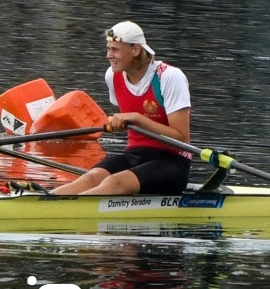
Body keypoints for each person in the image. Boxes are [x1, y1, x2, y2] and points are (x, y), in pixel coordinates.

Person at [51, 21, 192, 196]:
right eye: (108, 49)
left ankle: (74, 206)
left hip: (172, 162)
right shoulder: (112, 75)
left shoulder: (169, 77)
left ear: (136, 50)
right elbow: (128, 120)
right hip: (134, 156)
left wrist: (138, 118)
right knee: (90, 178)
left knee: (115, 181)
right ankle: (43, 200)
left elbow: (182, 137)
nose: (109, 55)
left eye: (115, 50)